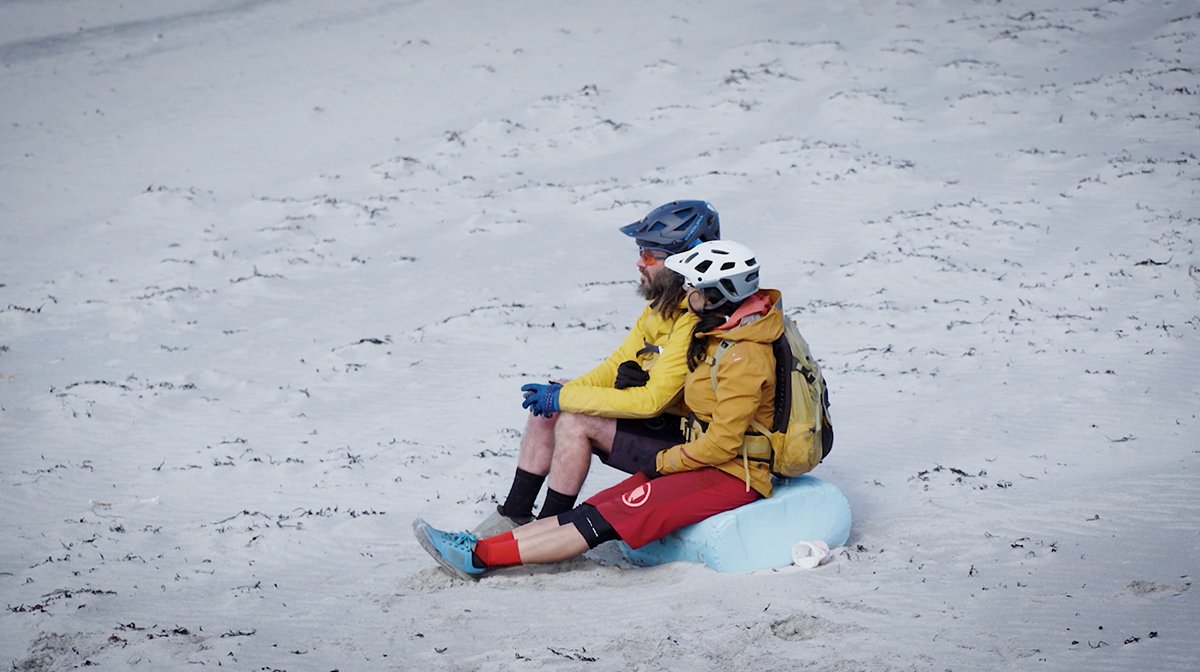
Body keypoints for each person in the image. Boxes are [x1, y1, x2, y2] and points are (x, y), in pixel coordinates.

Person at [415, 240, 783, 580]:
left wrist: (665, 462)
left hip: (733, 473)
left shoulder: (744, 355)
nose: (686, 293)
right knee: (597, 507)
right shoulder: (721, 335)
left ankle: (479, 559)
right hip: (705, 461)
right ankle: (478, 548)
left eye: (694, 288)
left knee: (607, 516)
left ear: (717, 296)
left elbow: (722, 444)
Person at [472, 200, 721, 536]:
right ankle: (514, 515)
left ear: (681, 263)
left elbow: (651, 402)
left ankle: (547, 534)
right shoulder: (662, 308)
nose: (638, 262)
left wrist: (565, 401)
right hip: (667, 424)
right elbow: (615, 365)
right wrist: (561, 394)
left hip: (691, 445)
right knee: (560, 398)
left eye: (648, 255)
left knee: (576, 419)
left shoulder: (694, 320)